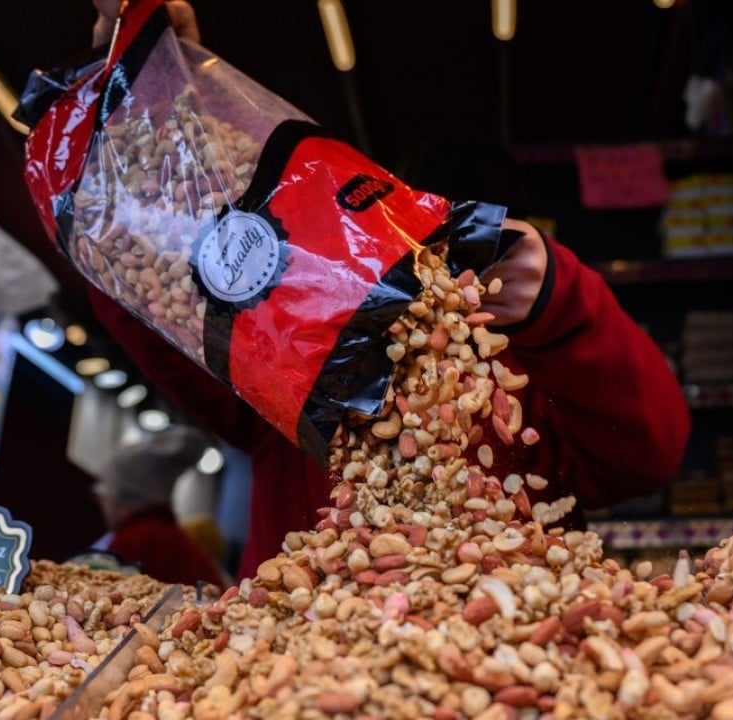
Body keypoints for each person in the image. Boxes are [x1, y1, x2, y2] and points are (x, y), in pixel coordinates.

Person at [84, 0, 691, 581]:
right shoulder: (289, 355)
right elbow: (155, 299)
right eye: (407, 245)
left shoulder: (532, 379)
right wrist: (151, 101)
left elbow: (652, 451)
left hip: (493, 657)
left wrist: (558, 296)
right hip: (292, 670)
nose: (427, 281)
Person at [89, 424, 228, 587]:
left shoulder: (133, 541)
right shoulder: (169, 536)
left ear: (121, 497)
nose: (102, 503)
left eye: (104, 495)